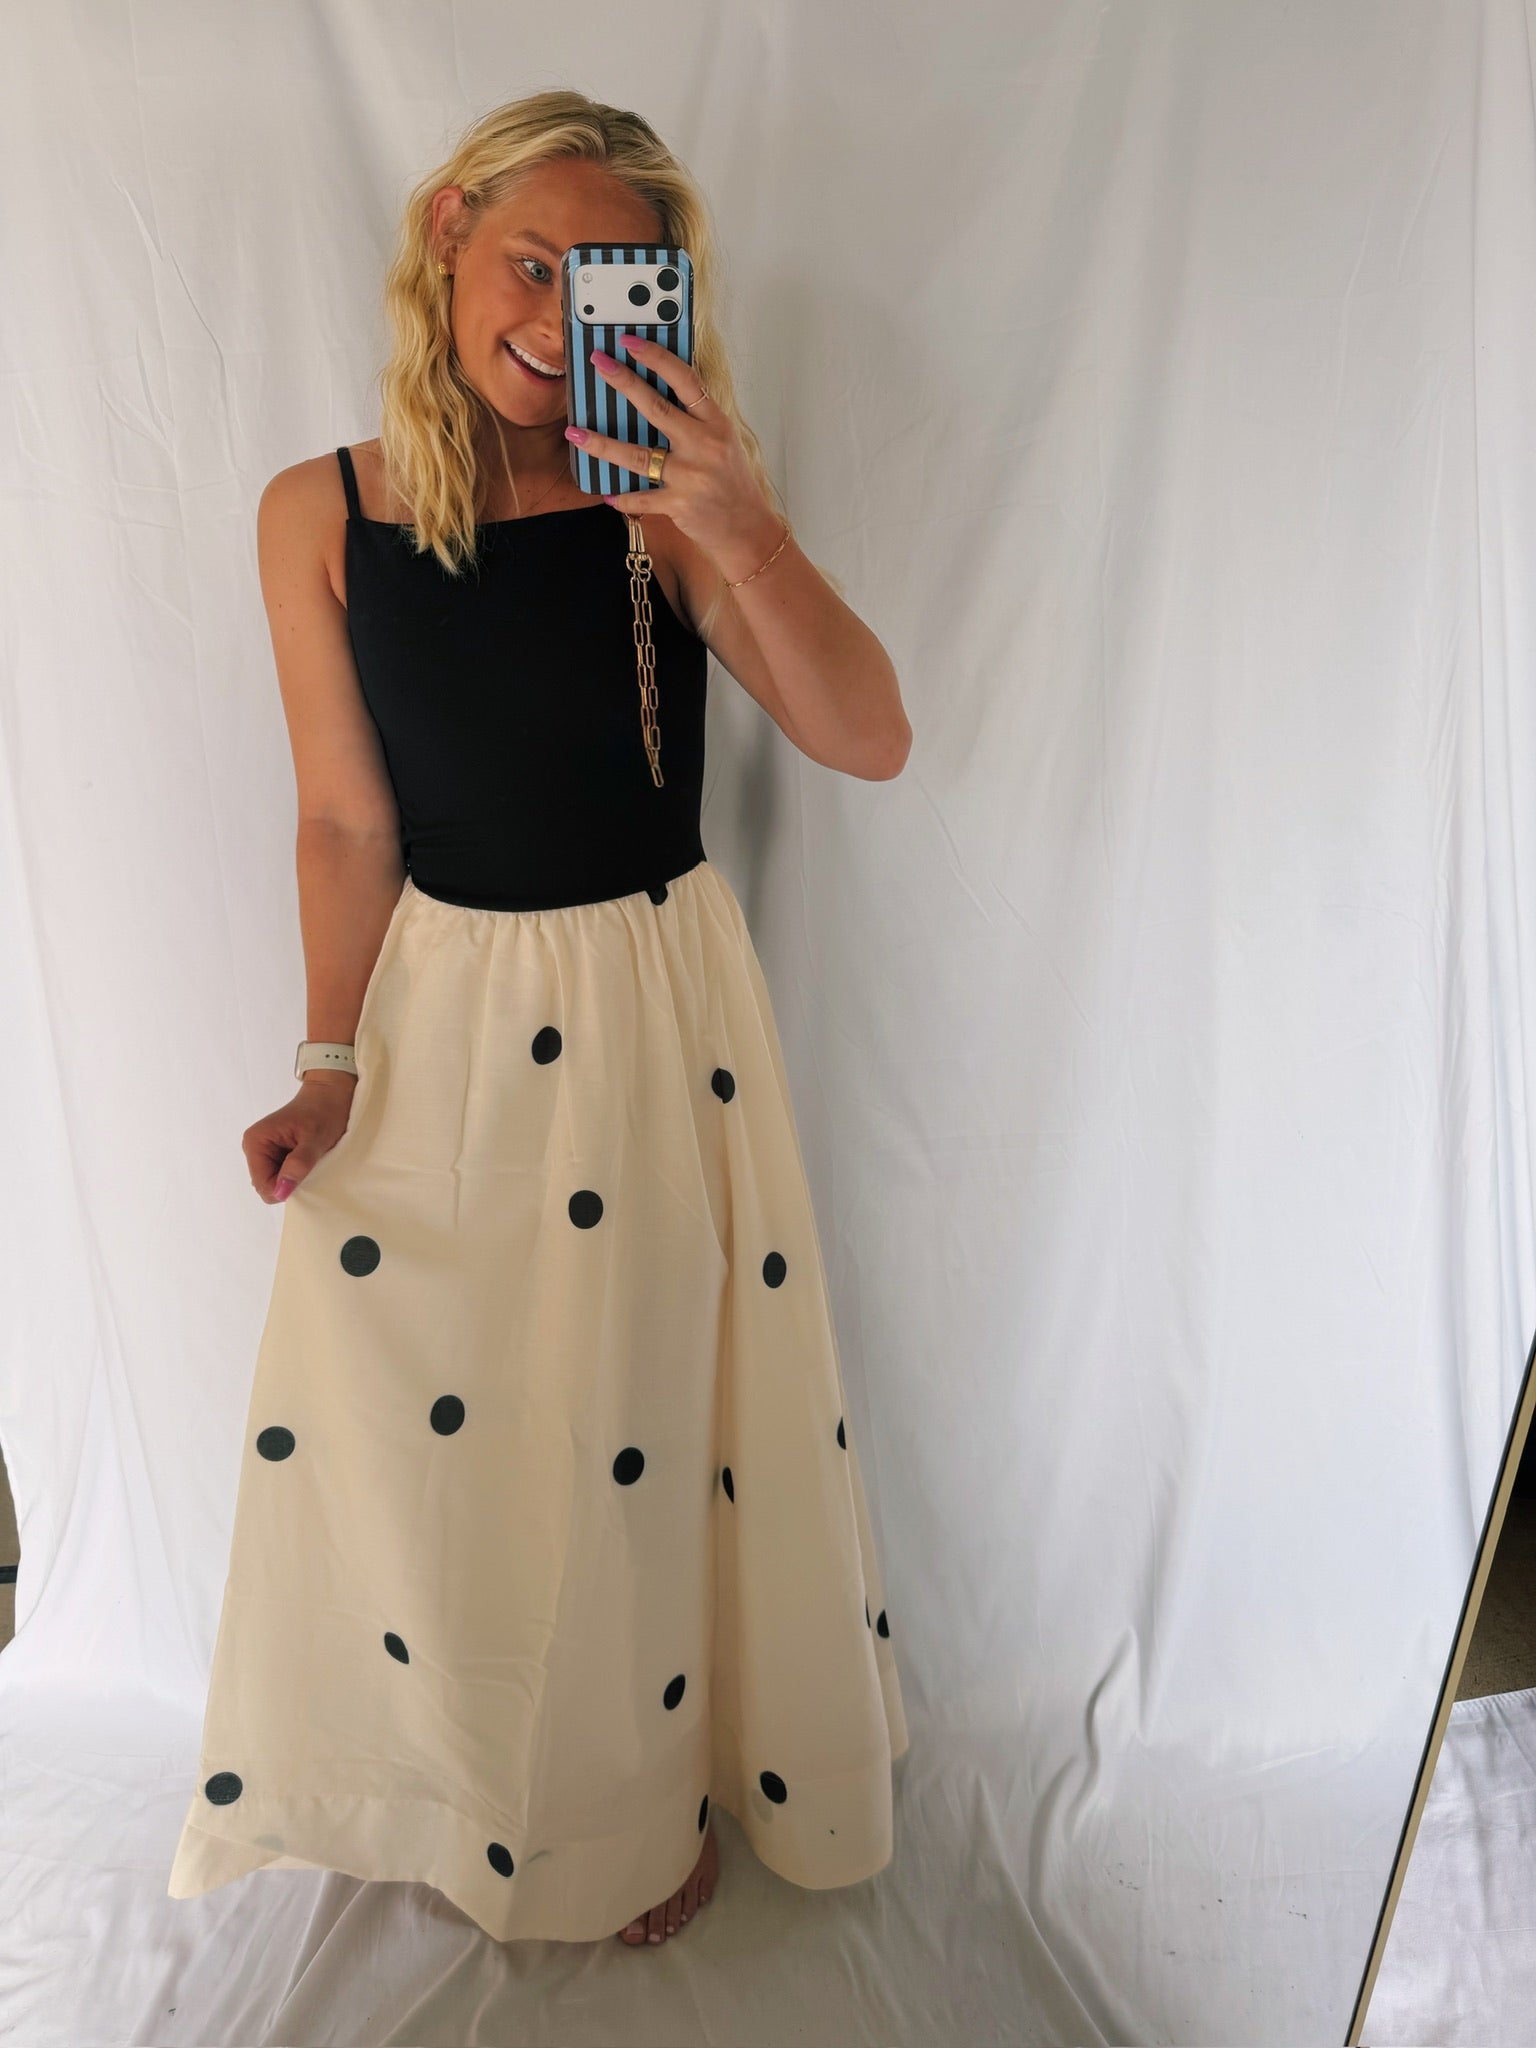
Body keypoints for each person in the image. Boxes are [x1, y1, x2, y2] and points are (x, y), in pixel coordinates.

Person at [166, 88, 911, 1950]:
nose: (556, 311)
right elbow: (347, 821)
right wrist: (326, 1065)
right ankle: (459, 1789)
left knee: (636, 1421)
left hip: (654, 1010)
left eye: (608, 283)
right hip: (447, 1020)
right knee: (453, 1439)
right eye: (532, 260)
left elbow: (868, 735)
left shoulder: (662, 504)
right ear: (447, 233)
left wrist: (734, 520)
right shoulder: (321, 512)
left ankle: (630, 1807)